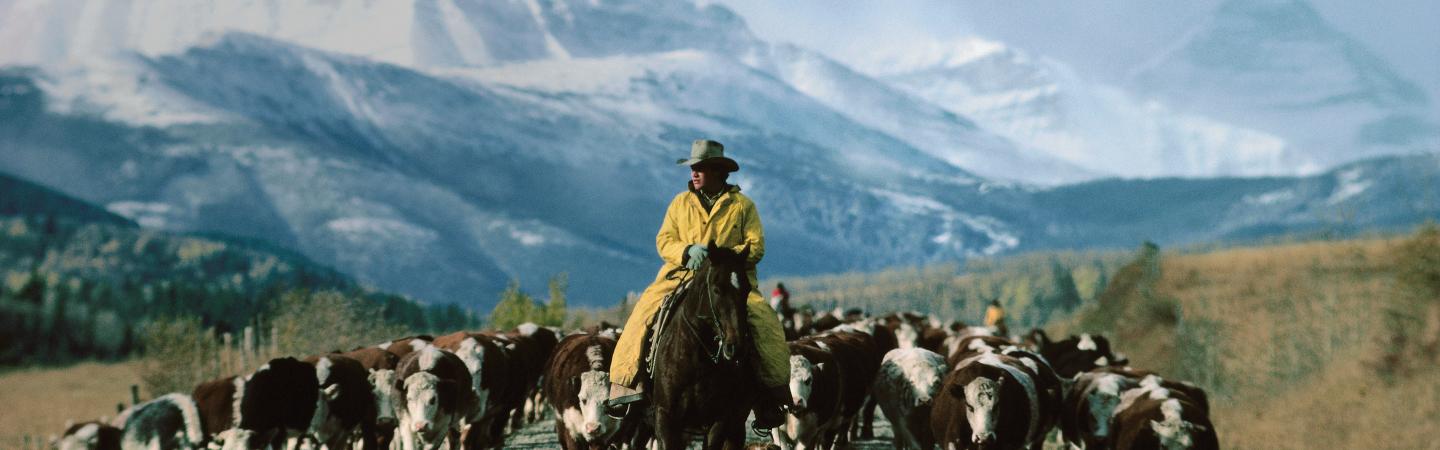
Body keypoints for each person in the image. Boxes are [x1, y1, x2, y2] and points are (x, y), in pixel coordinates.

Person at [606, 139, 792, 428]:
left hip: (728, 279)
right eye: (693, 168)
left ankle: (771, 396)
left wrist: (724, 258)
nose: (694, 173)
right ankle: (628, 386)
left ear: (718, 171)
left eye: (701, 168)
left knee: (763, 321)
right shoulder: (680, 203)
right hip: (681, 275)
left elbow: (756, 246)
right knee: (643, 314)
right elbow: (664, 240)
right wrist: (685, 251)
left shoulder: (743, 206)